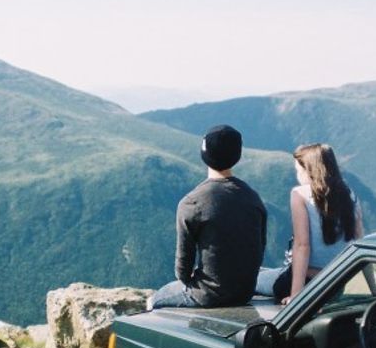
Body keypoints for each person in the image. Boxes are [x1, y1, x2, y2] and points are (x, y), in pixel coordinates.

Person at [148, 125, 268, 310]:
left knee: (153, 300)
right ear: (237, 155)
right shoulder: (253, 197)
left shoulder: (192, 202)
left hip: (207, 295)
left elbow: (183, 270)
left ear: (204, 154)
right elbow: (260, 248)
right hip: (245, 292)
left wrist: (193, 282)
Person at [255, 143, 363, 304]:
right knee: (266, 272)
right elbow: (360, 244)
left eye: (298, 170)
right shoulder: (350, 195)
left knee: (250, 279)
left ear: (308, 170)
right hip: (335, 286)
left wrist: (296, 295)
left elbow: (302, 245)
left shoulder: (300, 194)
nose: (298, 176)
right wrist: (374, 288)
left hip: (304, 283)